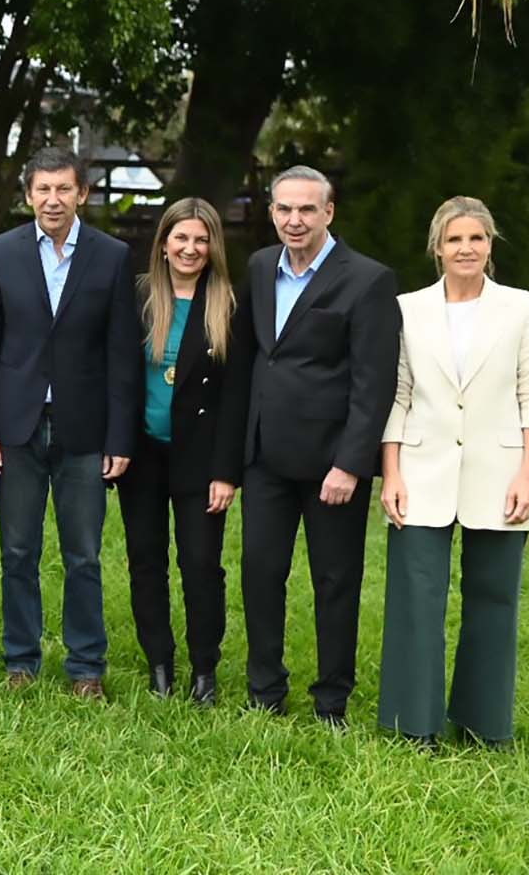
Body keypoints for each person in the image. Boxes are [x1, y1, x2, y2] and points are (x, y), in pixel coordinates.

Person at [212, 165, 399, 728]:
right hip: (266, 455)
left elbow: (374, 384)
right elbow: (246, 364)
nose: (295, 220)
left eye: (307, 210)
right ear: (271, 213)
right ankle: (265, 691)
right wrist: (231, 462)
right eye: (284, 209)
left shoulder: (367, 280)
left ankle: (331, 701)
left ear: (329, 212)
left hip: (330, 466)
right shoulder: (261, 266)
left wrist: (350, 463)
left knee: (335, 582)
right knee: (261, 574)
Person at [378, 196, 529, 745]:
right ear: (437, 248)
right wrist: (393, 473)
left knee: (494, 598)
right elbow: (396, 395)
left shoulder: (520, 307)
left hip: (500, 473)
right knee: (415, 598)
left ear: (490, 245)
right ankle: (414, 724)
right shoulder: (408, 308)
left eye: (476, 238)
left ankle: (483, 724)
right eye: (455, 239)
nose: (466, 248)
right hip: (421, 470)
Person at [0, 151, 138, 699]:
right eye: (43, 190)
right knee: (18, 550)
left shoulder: (111, 257)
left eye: (64, 189)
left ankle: (86, 666)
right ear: (29, 195)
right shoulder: (3, 252)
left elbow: (121, 355)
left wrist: (119, 437)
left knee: (83, 553)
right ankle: (22, 657)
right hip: (15, 427)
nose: (53, 200)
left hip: (85, 428)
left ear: (82, 194)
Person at [116, 198, 236, 705]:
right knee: (146, 561)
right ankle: (159, 663)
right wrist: (116, 445)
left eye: (201, 239)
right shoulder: (139, 298)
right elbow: (119, 380)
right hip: (142, 455)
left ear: (212, 248)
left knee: (201, 563)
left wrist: (226, 471)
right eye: (180, 238)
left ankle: (204, 668)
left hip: (202, 460)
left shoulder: (227, 304)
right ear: (163, 244)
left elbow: (237, 395)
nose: (190, 248)